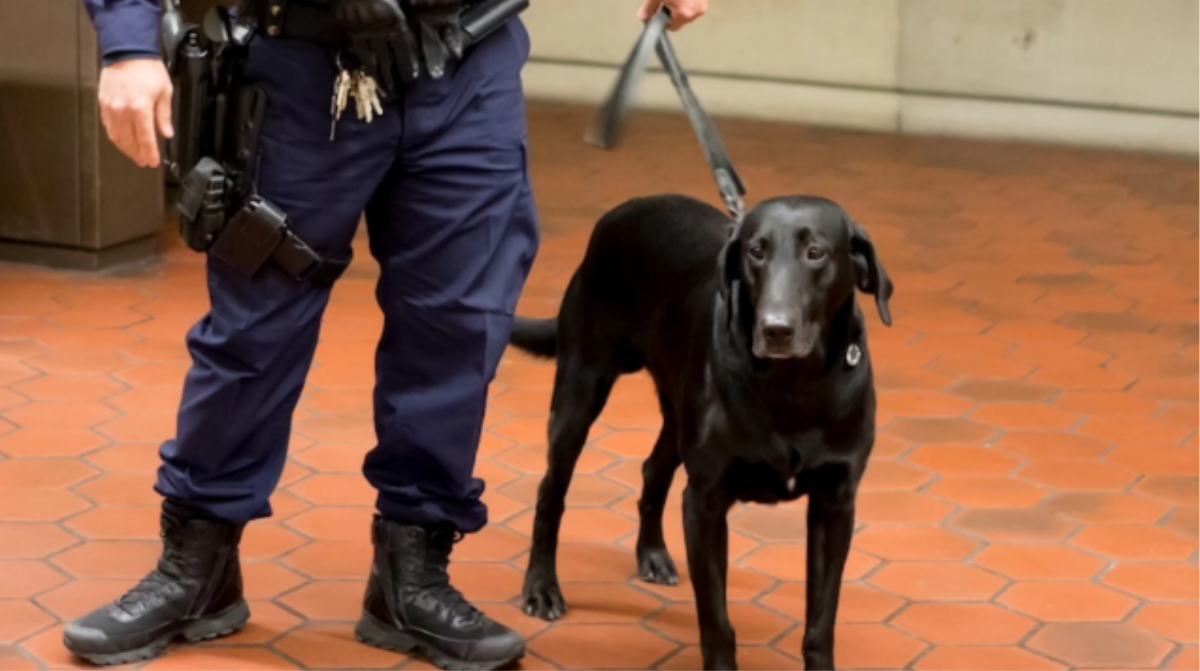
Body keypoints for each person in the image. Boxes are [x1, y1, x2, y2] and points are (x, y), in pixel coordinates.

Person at [65, 0, 710, 669]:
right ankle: (197, 566)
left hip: (467, 63)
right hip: (300, 63)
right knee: (254, 328)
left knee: (458, 327)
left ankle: (412, 575)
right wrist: (128, 44)